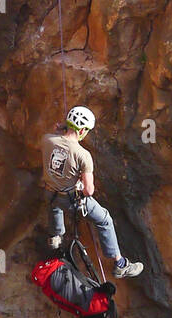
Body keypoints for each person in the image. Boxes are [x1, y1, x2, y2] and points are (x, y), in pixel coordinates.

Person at [41, 106, 143, 279]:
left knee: (54, 206)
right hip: (71, 199)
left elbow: (57, 145)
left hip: (49, 194)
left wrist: (59, 131)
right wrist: (80, 181)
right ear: (82, 130)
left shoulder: (47, 140)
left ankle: (55, 236)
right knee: (104, 219)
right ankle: (120, 264)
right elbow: (88, 191)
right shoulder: (83, 155)